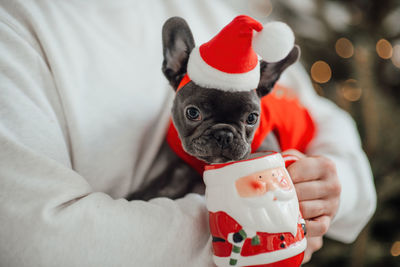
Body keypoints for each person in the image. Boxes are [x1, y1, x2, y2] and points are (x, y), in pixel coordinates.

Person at [0, 1, 376, 266]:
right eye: (195, 113)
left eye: (246, 121)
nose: (227, 138)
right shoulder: (17, 26)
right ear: (174, 65)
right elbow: (37, 244)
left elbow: (331, 129)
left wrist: (328, 187)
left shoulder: (223, 16)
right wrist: (261, 230)